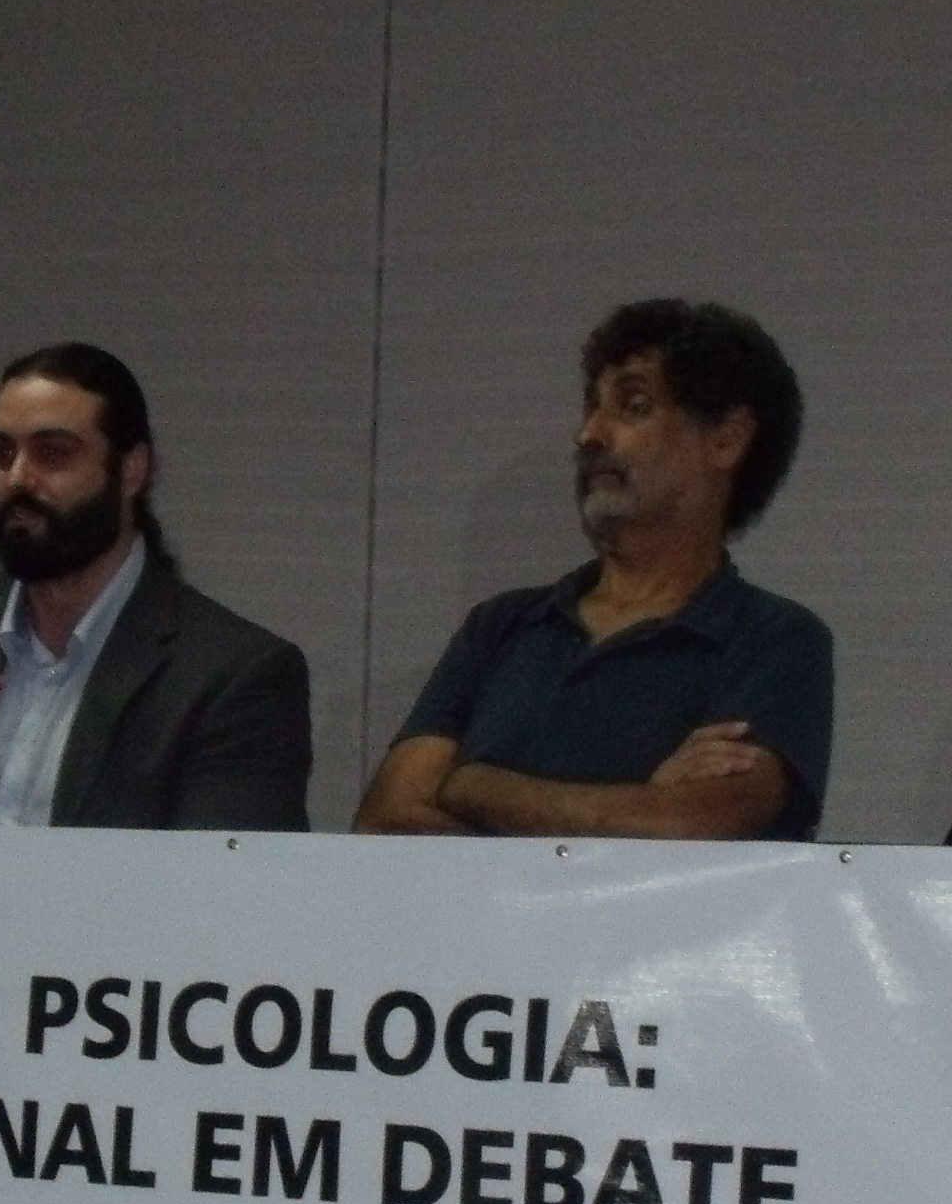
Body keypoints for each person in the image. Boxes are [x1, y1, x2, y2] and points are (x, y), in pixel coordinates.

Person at [356, 299, 830, 840]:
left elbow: (696, 821)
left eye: (633, 405)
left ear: (726, 438)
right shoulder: (501, 626)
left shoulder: (775, 639)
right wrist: (640, 801)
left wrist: (473, 784)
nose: (588, 434)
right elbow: (387, 821)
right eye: (591, 407)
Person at [0, 344, 311, 831]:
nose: (17, 479)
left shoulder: (230, 674)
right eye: (0, 453)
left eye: (52, 453)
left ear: (131, 470)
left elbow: (230, 879)